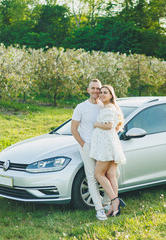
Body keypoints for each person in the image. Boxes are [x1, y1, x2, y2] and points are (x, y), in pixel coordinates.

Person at [71, 79, 109, 221]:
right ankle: (99, 209)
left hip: (103, 146)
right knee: (92, 177)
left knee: (110, 174)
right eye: (92, 88)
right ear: (88, 90)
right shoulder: (81, 107)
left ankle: (106, 202)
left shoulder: (104, 106)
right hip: (87, 146)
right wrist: (83, 144)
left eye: (98, 88)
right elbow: (73, 128)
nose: (95, 91)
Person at [90, 85, 127, 217]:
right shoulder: (112, 108)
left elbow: (109, 125)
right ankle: (114, 207)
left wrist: (96, 125)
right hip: (111, 143)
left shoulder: (109, 108)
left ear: (111, 95)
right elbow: (115, 128)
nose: (101, 94)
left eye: (105, 93)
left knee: (98, 174)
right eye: (101, 92)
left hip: (106, 146)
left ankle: (114, 200)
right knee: (111, 175)